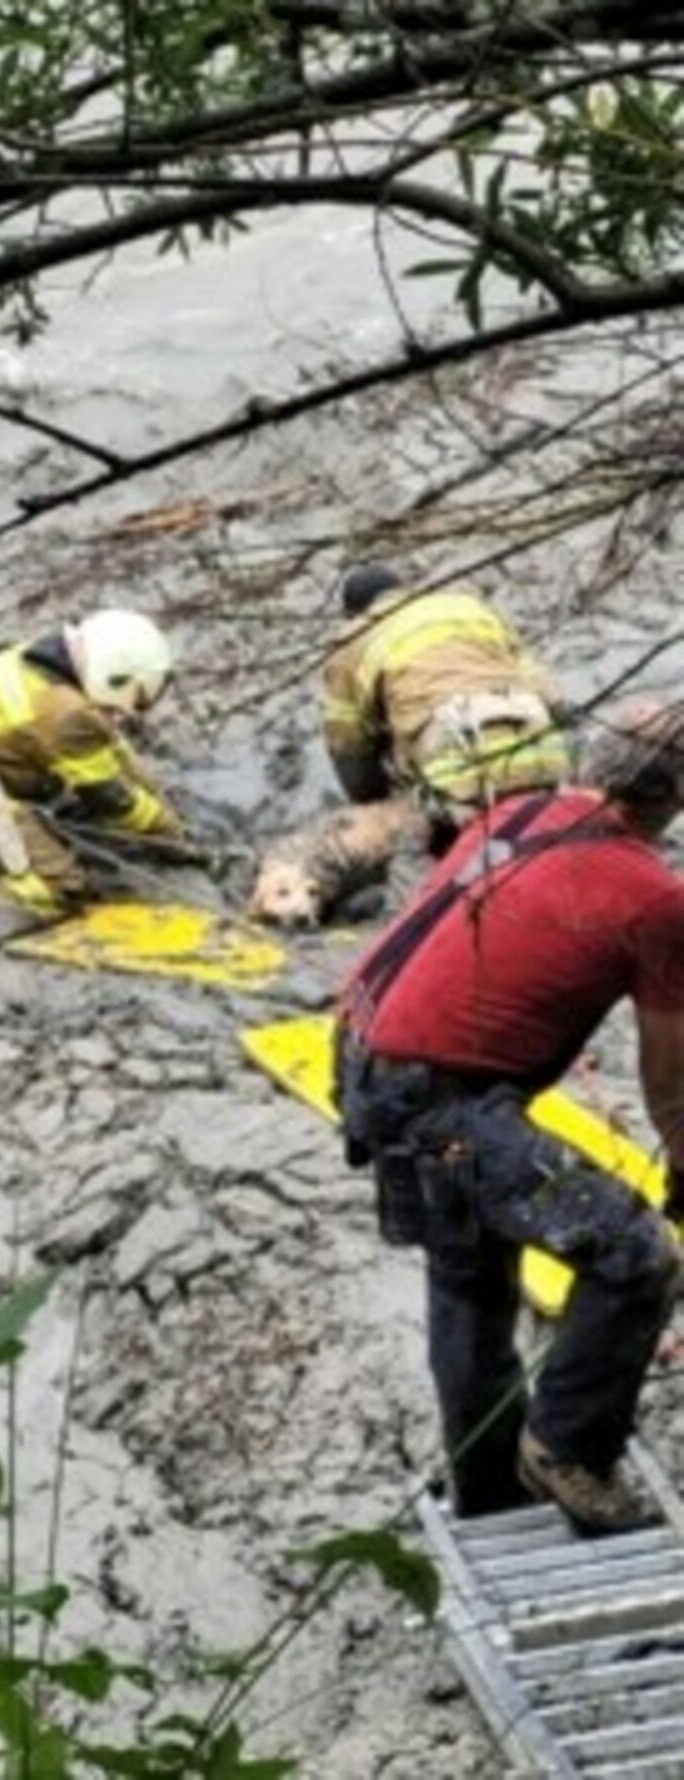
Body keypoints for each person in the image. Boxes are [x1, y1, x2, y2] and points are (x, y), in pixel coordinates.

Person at [333, 696, 684, 1534]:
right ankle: (568, 1450)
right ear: (672, 801)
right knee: (637, 1257)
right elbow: (672, 1071)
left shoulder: (523, 808)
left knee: (472, 1281)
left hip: (365, 1053)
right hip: (441, 1097)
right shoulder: (655, 897)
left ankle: (489, 1495)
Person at [0, 606, 186, 956]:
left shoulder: (39, 660)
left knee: (37, 803)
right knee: (60, 886)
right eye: (141, 696)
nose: (136, 709)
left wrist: (157, 796)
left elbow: (113, 749)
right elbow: (112, 799)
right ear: (115, 676)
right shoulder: (66, 711)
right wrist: (173, 835)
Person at [322, 562, 571, 853]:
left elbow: (348, 748)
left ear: (354, 614)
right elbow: (549, 692)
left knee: (438, 852)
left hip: (455, 766)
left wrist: (373, 804)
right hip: (539, 742)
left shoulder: (351, 643)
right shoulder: (469, 608)